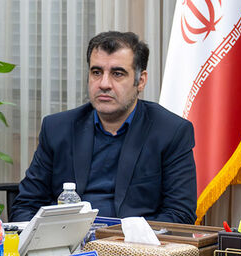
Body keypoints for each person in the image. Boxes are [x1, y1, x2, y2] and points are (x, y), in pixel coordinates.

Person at [10, 31, 197, 223]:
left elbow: (180, 214)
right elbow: (25, 205)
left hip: (134, 240)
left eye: (117, 74)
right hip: (67, 239)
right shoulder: (57, 128)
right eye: (96, 72)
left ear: (140, 81)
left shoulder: (171, 132)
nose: (104, 84)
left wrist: (124, 238)